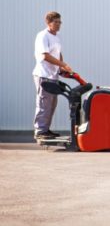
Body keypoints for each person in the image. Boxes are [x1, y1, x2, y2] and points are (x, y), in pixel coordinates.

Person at [32, 11, 72, 139]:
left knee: (52, 104)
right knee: (44, 103)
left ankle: (46, 129)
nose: (59, 24)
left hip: (53, 75)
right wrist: (63, 64)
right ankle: (40, 131)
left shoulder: (56, 37)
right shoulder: (43, 36)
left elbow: (58, 53)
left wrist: (61, 67)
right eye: (56, 22)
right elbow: (45, 56)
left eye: (60, 22)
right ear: (48, 23)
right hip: (43, 75)